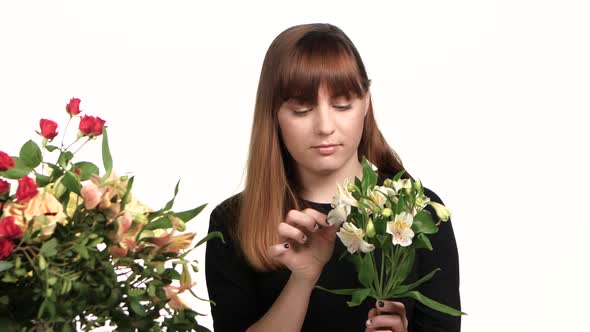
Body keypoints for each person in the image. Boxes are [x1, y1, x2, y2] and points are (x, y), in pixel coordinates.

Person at [205, 23, 461, 332]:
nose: (325, 126)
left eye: (342, 104)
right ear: (273, 113)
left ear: (366, 101)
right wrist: (302, 280)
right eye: (302, 109)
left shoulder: (416, 210)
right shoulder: (234, 221)